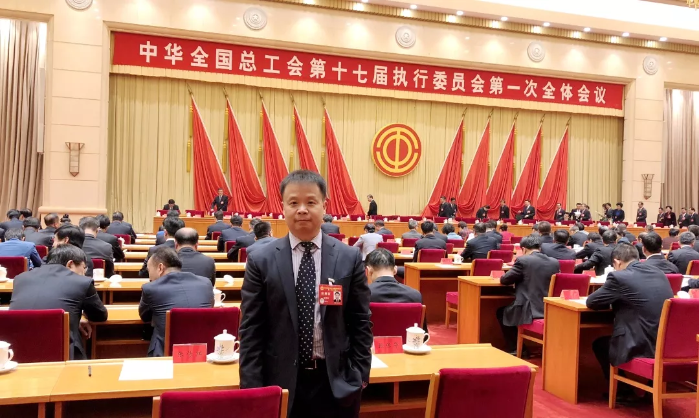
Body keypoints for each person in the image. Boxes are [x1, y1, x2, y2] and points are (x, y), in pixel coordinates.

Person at [239, 170, 372, 418]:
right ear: (283, 207)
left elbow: (360, 321)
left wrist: (360, 375)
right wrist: (252, 389)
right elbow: (251, 329)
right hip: (279, 381)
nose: (302, 210)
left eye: (310, 202)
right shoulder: (260, 259)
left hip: (336, 382)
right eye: (293, 203)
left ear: (324, 206)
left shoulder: (349, 257)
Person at [586, 244, 673, 398]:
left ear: (616, 262)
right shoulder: (659, 273)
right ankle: (651, 389)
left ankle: (622, 391)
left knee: (600, 344)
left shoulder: (619, 277)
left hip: (638, 343)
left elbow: (592, 302)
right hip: (664, 342)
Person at [9, 244, 108, 360]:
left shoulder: (20, 278)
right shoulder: (82, 282)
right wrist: (77, 317)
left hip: (15, 352)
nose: (84, 273)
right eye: (83, 268)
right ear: (70, 264)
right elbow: (100, 315)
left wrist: (74, 318)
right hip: (63, 354)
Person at [139, 247, 214, 357]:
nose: (149, 276)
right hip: (202, 351)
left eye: (149, 270)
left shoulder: (150, 288)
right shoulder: (205, 283)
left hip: (166, 354)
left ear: (160, 268)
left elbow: (145, 317)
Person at [497, 235, 560, 355]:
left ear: (524, 249)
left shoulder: (523, 260)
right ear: (539, 248)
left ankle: (517, 349)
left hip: (530, 308)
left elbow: (505, 280)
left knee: (501, 312)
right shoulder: (554, 262)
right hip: (549, 307)